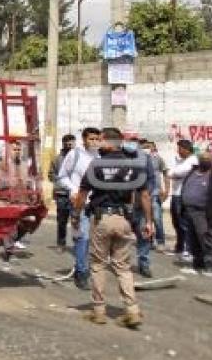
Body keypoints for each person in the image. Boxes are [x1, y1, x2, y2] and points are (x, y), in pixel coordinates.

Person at [72, 127, 153, 329]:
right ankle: (132, 310)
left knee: (98, 264)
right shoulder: (133, 166)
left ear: (109, 143)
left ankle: (99, 311)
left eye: (100, 140)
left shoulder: (96, 165)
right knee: (122, 266)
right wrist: (149, 222)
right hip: (124, 220)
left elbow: (82, 194)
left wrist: (75, 216)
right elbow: (144, 195)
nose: (98, 143)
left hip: (102, 219)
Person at [56, 127, 101, 290]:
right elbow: (62, 177)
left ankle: (87, 267)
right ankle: (81, 272)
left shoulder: (101, 155)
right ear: (84, 140)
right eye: (91, 139)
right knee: (83, 237)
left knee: (96, 240)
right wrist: (73, 191)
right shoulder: (75, 154)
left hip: (98, 204)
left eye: (97, 139)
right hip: (79, 202)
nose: (94, 142)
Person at [179, 150, 212, 277]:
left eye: (208, 158)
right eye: (203, 158)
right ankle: (198, 264)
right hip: (190, 212)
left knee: (209, 239)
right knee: (193, 240)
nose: (205, 160)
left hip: (207, 213)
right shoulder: (192, 172)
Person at [125, 134, 158, 279]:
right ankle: (120, 263)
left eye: (135, 141)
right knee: (121, 235)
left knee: (144, 234)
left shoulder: (145, 157)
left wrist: (147, 192)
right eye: (130, 141)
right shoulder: (118, 156)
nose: (132, 143)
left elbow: (151, 178)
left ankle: (144, 264)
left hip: (141, 201)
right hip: (123, 203)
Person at [167, 140, 198, 261]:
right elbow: (170, 172)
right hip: (176, 194)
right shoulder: (181, 161)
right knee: (176, 222)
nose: (178, 151)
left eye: (179, 149)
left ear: (186, 149)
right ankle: (179, 247)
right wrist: (174, 173)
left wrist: (174, 173)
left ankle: (188, 249)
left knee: (183, 223)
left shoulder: (193, 160)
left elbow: (178, 172)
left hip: (183, 195)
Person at [49, 134, 77, 248]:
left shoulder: (79, 158)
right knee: (62, 221)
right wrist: (62, 181)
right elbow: (51, 175)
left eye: (72, 143)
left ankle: (78, 243)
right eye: (67, 143)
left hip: (76, 194)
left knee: (77, 220)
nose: (70, 145)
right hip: (62, 195)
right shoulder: (57, 159)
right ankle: (61, 242)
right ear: (63, 144)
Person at [142, 140, 170, 250]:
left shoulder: (158, 159)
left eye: (149, 147)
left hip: (155, 193)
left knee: (157, 218)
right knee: (145, 219)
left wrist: (167, 189)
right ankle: (149, 240)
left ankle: (160, 241)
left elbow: (166, 173)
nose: (147, 149)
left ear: (154, 148)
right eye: (145, 147)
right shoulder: (139, 159)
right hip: (143, 194)